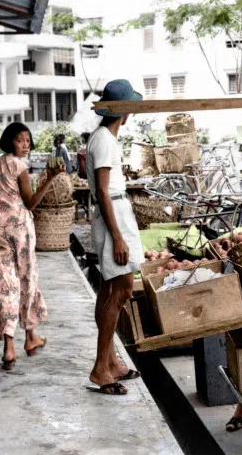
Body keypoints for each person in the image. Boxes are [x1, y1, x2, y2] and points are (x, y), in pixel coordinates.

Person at [86, 79, 145, 395]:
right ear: (123, 110)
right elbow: (105, 193)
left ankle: (110, 362)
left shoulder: (102, 137)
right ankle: (100, 368)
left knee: (109, 289)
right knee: (121, 291)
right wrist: (118, 237)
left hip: (113, 214)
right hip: (114, 216)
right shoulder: (105, 141)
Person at [0, 122, 51, 370]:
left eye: (27, 140)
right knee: (27, 280)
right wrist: (51, 178)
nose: (25, 144)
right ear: (10, 142)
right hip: (21, 230)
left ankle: (10, 347)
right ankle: (29, 337)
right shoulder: (21, 166)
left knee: (4, 284)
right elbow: (31, 202)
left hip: (0, 229)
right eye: (19, 140)